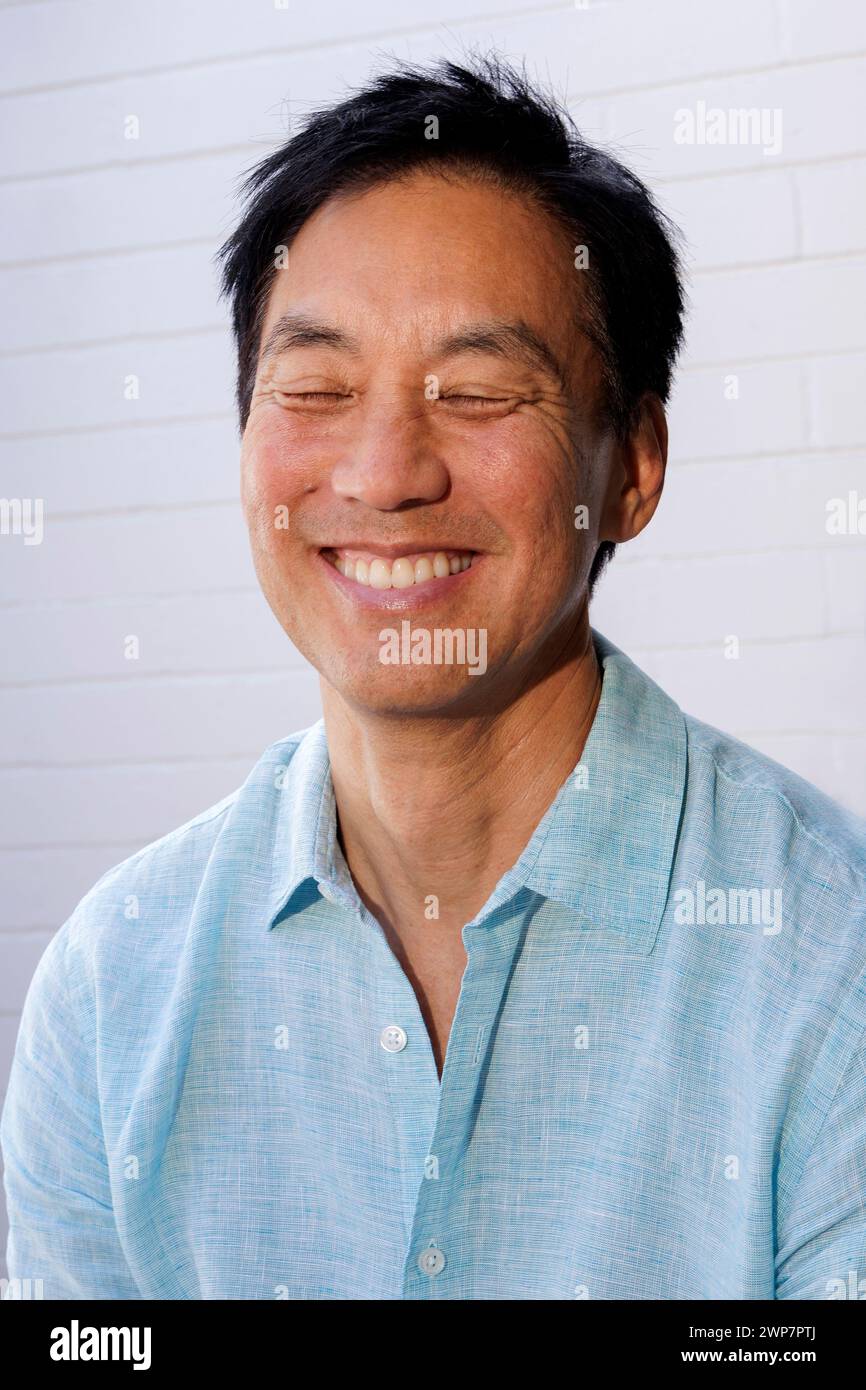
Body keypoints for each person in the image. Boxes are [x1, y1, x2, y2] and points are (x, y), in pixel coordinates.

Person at [3, 55, 865, 1301]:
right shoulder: (110, 989)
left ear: (631, 461)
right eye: (314, 388)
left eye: (473, 391)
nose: (383, 472)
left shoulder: (827, 963)